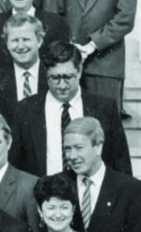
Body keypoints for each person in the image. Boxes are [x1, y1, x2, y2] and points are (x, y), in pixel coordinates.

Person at [9, 41, 132, 177]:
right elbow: (15, 166)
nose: (62, 85)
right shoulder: (25, 110)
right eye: (55, 78)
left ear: (79, 71)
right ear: (46, 73)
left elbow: (121, 165)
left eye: (68, 77)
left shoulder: (104, 108)